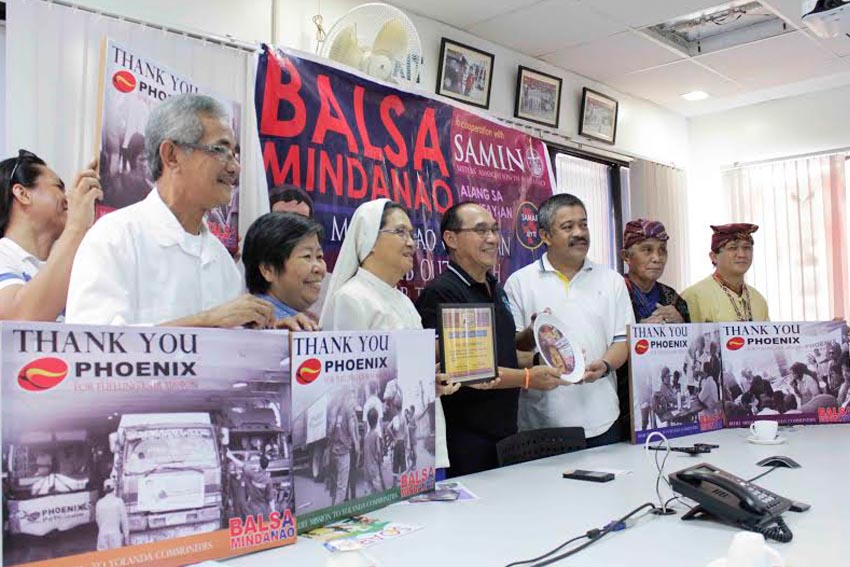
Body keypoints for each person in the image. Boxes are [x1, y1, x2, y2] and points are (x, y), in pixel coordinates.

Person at [66, 94, 312, 330]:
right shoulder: (115, 237)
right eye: (220, 150)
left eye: (235, 154)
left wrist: (268, 335)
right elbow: (93, 350)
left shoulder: (222, 260)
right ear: (171, 155)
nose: (234, 167)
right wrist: (207, 321)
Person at [417, 202, 565, 475]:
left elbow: (503, 347)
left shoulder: (495, 287)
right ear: (451, 239)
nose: (493, 239)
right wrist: (529, 378)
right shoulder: (443, 293)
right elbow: (468, 369)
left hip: (505, 432)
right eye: (481, 230)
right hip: (466, 438)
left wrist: (532, 336)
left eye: (495, 230)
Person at [321, 199, 458, 477]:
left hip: (422, 435)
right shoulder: (351, 298)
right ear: (369, 239)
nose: (411, 243)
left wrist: (430, 382)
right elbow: (346, 382)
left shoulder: (403, 301)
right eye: (400, 232)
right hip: (383, 435)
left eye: (412, 234)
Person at [506, 194, 634, 448]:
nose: (579, 233)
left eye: (583, 224)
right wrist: (535, 348)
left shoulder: (611, 280)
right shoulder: (520, 283)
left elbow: (623, 340)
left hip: (602, 419)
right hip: (541, 425)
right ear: (545, 236)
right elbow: (510, 352)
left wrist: (606, 366)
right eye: (568, 227)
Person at [0, 150, 102, 321]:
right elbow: (19, 321)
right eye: (59, 187)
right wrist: (76, 226)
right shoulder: (5, 256)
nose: (68, 198)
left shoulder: (76, 262)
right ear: (23, 194)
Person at [243, 212, 326, 319]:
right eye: (307, 256)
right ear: (268, 269)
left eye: (319, 257)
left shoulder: (305, 321)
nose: (318, 269)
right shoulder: (260, 326)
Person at [681, 223, 769, 322]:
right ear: (714, 257)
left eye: (747, 248)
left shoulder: (758, 299)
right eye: (732, 248)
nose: (742, 254)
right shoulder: (695, 296)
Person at [620, 219, 689, 324]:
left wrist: (682, 324)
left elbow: (694, 339)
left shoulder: (672, 298)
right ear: (626, 256)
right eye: (647, 249)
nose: (657, 258)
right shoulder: (614, 293)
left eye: (662, 250)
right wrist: (638, 330)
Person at [95, 479, 128, 550]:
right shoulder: (119, 502)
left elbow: (98, 520)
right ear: (114, 488)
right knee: (115, 559)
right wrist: (126, 536)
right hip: (115, 535)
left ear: (104, 489)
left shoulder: (99, 503)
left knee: (103, 559)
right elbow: (124, 520)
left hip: (102, 535)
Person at [363, 407, 385, 493]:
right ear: (376, 422)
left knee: (369, 492)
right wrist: (379, 460)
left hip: (366, 469)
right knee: (378, 490)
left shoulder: (366, 436)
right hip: (374, 469)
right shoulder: (376, 435)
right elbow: (378, 451)